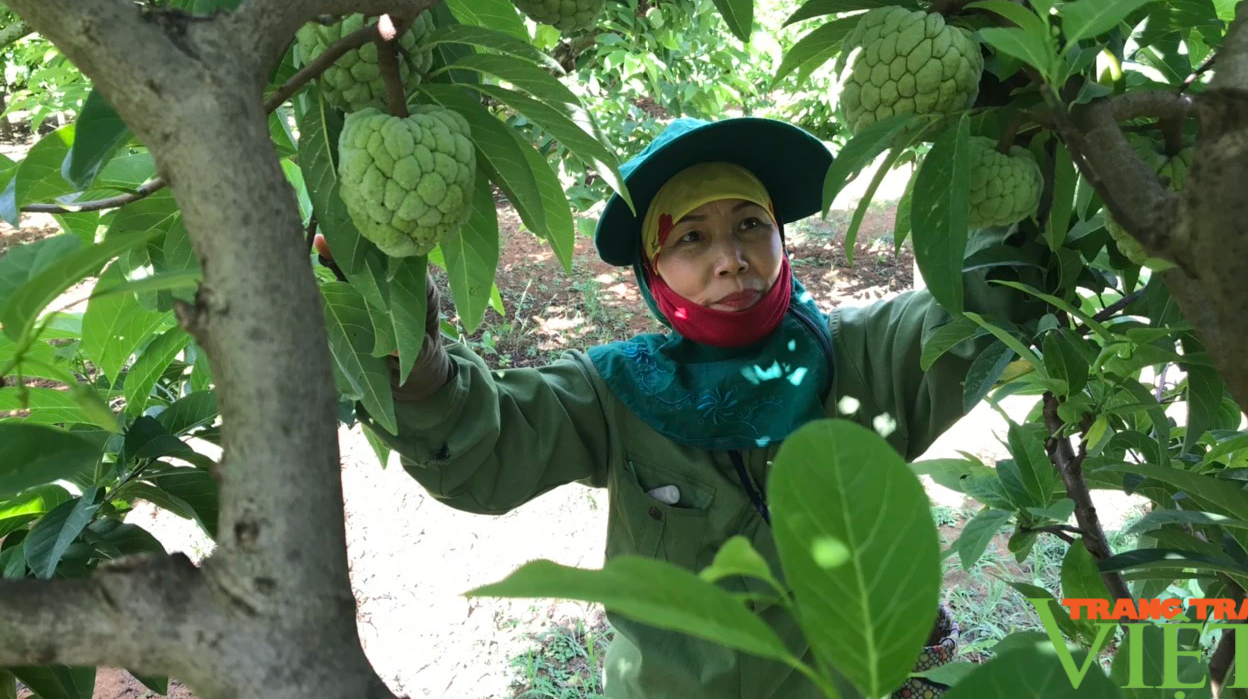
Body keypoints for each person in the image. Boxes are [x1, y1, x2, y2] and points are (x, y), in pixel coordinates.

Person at [350, 117, 1040, 699]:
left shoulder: (862, 359)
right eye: (692, 238)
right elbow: (491, 453)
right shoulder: (617, 390)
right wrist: (420, 366)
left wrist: (1015, 124)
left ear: (781, 238)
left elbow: (987, 303)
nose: (732, 260)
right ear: (654, 271)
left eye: (750, 224)